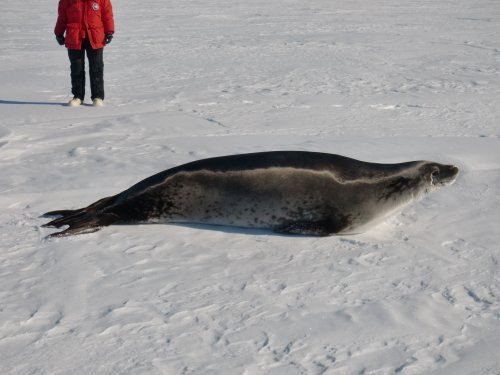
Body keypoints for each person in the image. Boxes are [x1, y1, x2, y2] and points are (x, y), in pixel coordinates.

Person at [54, 0, 114, 107]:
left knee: (96, 67)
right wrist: (59, 33)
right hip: (74, 37)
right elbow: (62, 16)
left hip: (96, 37)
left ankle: (97, 97)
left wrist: (109, 31)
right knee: (77, 68)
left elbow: (107, 14)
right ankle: (78, 97)